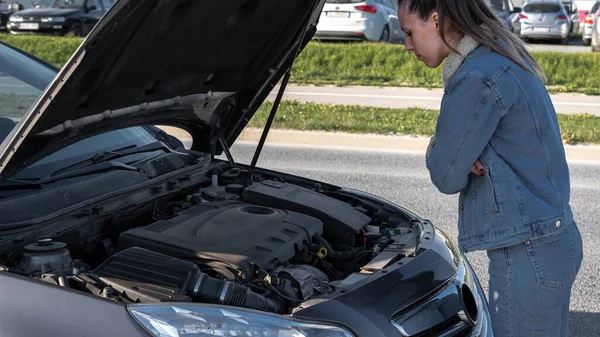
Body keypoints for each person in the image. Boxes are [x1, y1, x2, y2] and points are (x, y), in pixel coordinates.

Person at [397, 0, 584, 336]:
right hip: (550, 241)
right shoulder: (500, 57)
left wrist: (439, 147)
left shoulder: (475, 76)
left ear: (436, 19)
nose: (407, 44)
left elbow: (445, 174)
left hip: (528, 254)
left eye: (409, 32)